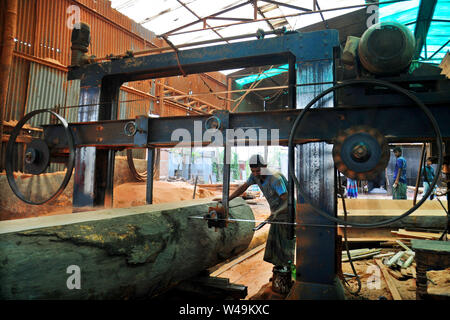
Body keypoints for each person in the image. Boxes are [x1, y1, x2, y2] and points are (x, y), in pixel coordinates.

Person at [214, 154, 295, 293]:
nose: (257, 174)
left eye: (259, 170)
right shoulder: (255, 177)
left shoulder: (275, 178)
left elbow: (288, 202)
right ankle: (278, 275)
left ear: (265, 166)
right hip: (275, 215)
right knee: (275, 246)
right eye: (254, 171)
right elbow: (243, 187)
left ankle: (288, 279)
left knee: (285, 248)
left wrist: (277, 213)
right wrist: (227, 199)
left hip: (286, 214)